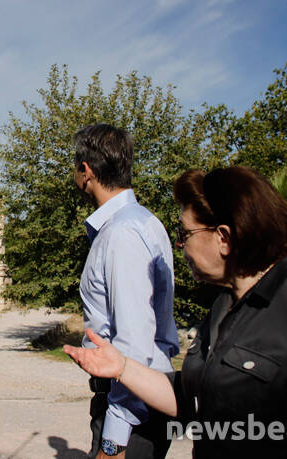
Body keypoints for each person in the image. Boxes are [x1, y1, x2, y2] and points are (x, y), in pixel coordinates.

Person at [64, 166, 287, 458]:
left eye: (185, 233)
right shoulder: (227, 305)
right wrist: (122, 367)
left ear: (223, 238)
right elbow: (196, 400)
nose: (179, 244)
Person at [72, 124, 179, 458]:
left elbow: (134, 343)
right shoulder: (142, 222)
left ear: (86, 171)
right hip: (139, 400)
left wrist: (114, 442)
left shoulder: (122, 233)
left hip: (132, 411)